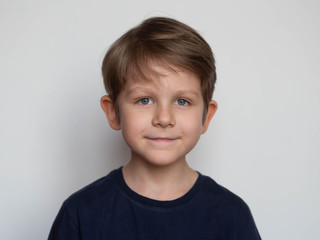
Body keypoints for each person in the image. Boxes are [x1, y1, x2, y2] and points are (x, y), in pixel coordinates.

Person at [48, 17, 261, 240]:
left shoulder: (232, 216)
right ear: (113, 112)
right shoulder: (80, 213)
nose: (164, 118)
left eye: (182, 102)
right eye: (144, 100)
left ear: (206, 117)